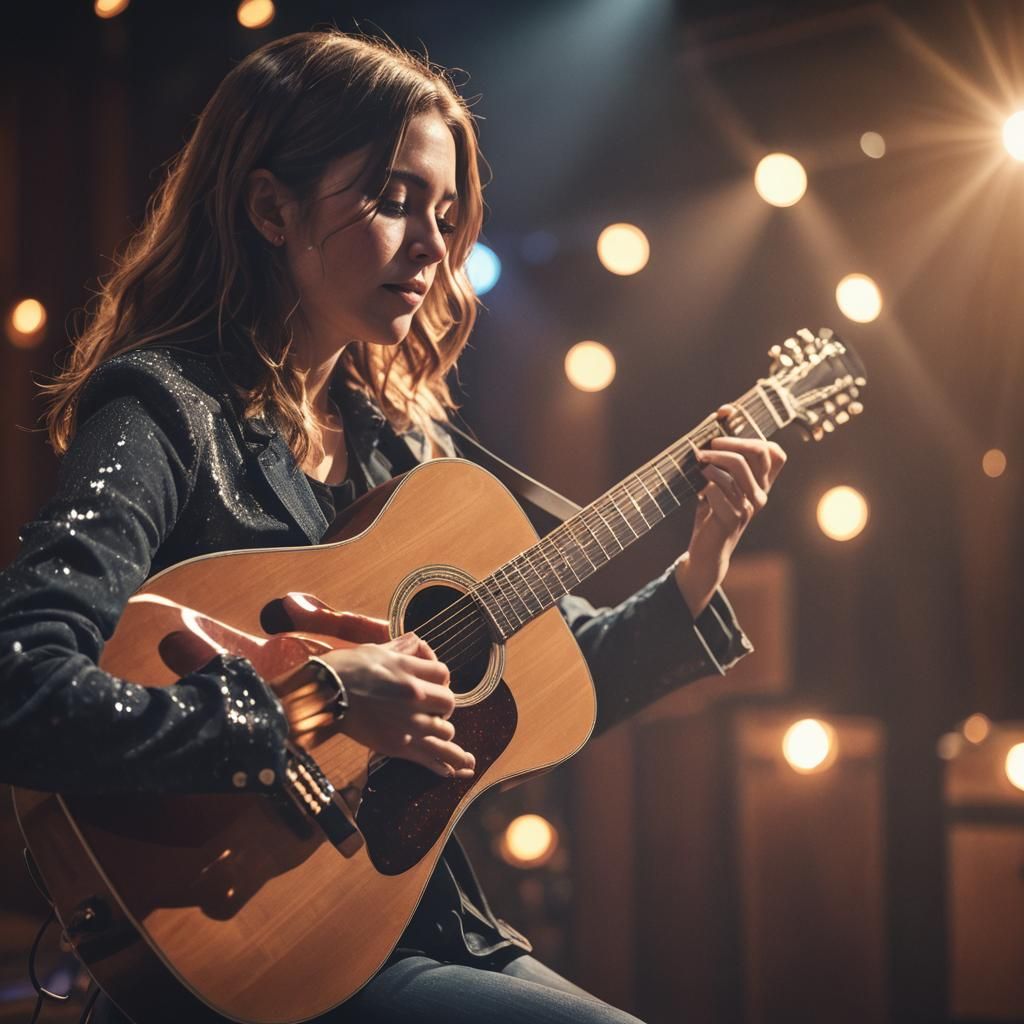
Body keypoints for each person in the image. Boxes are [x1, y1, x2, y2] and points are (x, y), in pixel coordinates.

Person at [0, 30, 785, 1024]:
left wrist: (700, 562)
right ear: (270, 207)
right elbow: (20, 685)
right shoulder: (163, 410)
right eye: (395, 199)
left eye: (445, 213)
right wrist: (316, 700)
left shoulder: (398, 453)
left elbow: (555, 676)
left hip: (400, 926)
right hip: (240, 941)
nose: (432, 248)